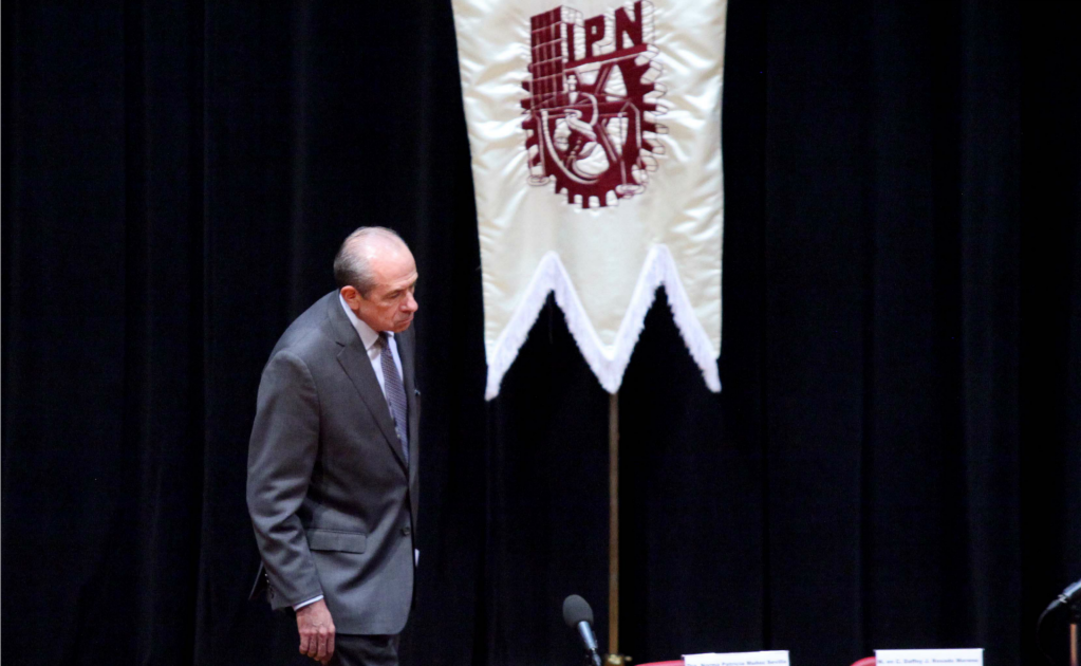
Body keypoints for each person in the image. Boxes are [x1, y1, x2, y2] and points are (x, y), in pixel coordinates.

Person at [247, 226, 421, 666]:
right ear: (351, 297)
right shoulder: (301, 362)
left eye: (413, 288)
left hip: (391, 573)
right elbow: (270, 500)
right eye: (396, 294)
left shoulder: (396, 323)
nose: (411, 305)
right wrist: (306, 600)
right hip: (341, 595)